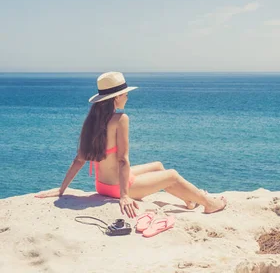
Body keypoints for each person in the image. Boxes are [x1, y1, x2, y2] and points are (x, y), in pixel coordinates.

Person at [35, 71, 227, 218]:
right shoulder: (120, 119)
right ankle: (209, 203)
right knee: (172, 175)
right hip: (118, 187)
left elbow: (79, 159)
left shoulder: (93, 120)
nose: (127, 97)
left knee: (158, 166)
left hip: (102, 186)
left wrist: (61, 189)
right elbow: (122, 160)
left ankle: (188, 198)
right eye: (125, 94)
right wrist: (124, 196)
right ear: (116, 97)